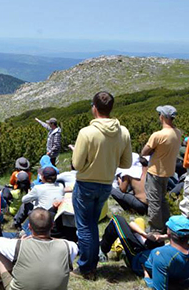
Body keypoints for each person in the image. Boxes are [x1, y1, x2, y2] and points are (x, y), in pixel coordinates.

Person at [70, 91, 132, 279]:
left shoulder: (86, 133)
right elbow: (126, 163)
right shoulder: (123, 132)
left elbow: (77, 165)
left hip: (86, 184)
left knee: (85, 227)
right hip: (106, 184)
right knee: (92, 225)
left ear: (94, 108)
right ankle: (91, 263)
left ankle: (86, 268)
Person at [0, 208, 78, 290]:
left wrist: (19, 240)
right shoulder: (68, 247)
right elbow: (71, 244)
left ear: (29, 227)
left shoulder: (18, 245)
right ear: (52, 225)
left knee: (0, 253)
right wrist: (51, 239)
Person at [101, 215, 189, 289]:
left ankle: (103, 251)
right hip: (151, 253)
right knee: (139, 223)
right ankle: (142, 235)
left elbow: (159, 286)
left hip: (137, 257)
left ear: (168, 231)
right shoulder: (176, 253)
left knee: (116, 219)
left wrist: (147, 277)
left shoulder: (161, 256)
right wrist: (162, 237)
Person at [141, 105, 183, 233]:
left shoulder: (158, 135)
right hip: (168, 171)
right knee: (162, 199)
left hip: (155, 171)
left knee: (154, 201)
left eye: (160, 114)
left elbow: (144, 151)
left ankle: (156, 229)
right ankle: (166, 225)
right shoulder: (178, 132)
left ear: (163, 117)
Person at [16, 167, 64, 233]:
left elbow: (24, 200)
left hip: (41, 217)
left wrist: (31, 193)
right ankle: (23, 227)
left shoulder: (38, 188)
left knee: (26, 204)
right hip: (56, 216)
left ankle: (21, 227)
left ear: (43, 177)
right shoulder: (61, 186)